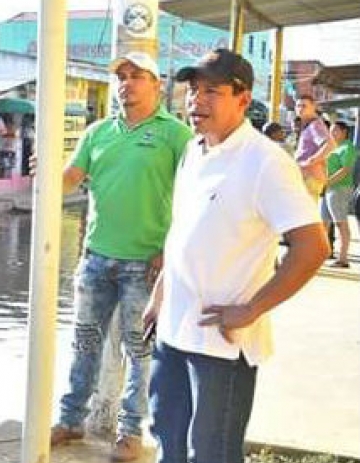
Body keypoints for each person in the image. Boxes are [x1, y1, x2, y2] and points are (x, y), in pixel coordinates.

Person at [145, 49, 329, 463]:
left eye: (213, 91)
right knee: (167, 444)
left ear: (244, 99)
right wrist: (160, 294)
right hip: (173, 331)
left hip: (221, 344)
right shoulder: (195, 150)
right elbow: (183, 230)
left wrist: (251, 309)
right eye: (193, 90)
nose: (196, 101)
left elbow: (314, 246)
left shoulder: (265, 161)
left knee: (211, 454)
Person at [49, 52, 193, 462]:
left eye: (136, 76)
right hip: (95, 258)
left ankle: (131, 433)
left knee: (140, 351)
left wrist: (169, 252)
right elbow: (69, 181)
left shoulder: (176, 135)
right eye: (121, 77)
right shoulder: (97, 132)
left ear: (157, 85)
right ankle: (71, 418)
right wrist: (46, 174)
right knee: (84, 343)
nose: (125, 84)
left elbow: (193, 198)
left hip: (145, 264)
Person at [323, 121, 356, 268]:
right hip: (328, 188)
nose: (332, 133)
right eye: (331, 130)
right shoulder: (333, 147)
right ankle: (323, 253)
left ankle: (343, 258)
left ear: (344, 132)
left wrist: (328, 182)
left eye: (335, 130)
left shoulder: (348, 148)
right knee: (324, 222)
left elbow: (345, 170)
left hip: (339, 189)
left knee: (340, 223)